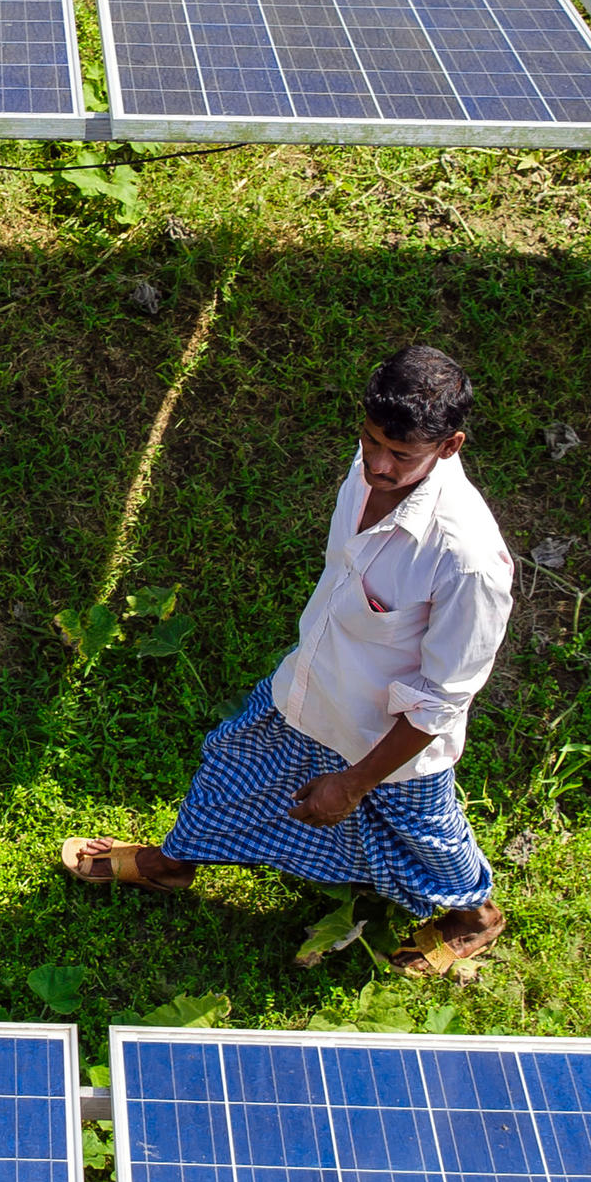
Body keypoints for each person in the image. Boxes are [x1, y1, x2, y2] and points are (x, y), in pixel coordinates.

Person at [59, 343, 515, 977]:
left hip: (386, 741)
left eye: (401, 456)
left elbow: (443, 698)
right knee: (229, 770)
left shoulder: (465, 560)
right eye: (371, 441)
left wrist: (355, 783)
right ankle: (175, 863)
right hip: (307, 690)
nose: (379, 465)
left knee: (425, 840)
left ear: (450, 447)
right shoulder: (367, 470)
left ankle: (474, 919)